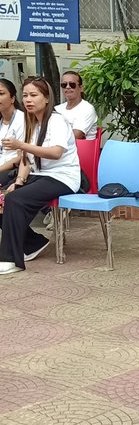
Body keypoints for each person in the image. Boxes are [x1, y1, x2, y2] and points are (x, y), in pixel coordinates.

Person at [0, 77, 80, 276]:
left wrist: (21, 145)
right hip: (40, 175)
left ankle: (10, 259)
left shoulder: (57, 120)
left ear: (46, 98)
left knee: (14, 200)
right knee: (3, 199)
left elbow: (55, 153)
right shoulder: (31, 122)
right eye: (25, 95)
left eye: (34, 95)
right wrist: (18, 181)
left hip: (62, 177)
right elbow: (26, 159)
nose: (28, 100)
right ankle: (33, 243)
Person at [55, 70, 98, 140]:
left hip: (81, 150)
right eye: (64, 85)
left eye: (72, 84)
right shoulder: (57, 109)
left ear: (81, 88)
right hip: (57, 148)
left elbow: (75, 136)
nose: (68, 87)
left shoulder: (87, 109)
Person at [0, 78, 25, 191]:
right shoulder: (1, 121)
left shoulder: (22, 120)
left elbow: (21, 157)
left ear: (12, 98)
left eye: (1, 93)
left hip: (13, 170)